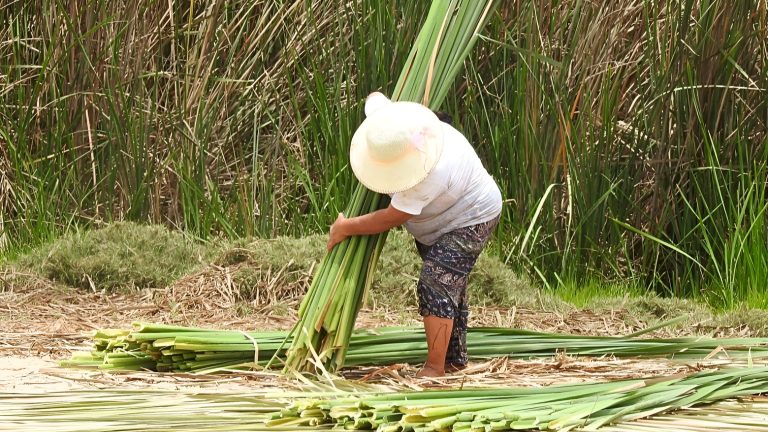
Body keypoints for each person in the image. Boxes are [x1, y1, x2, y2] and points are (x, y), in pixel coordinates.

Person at [327, 92, 502, 377]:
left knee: (436, 281)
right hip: (433, 225)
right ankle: (454, 360)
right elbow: (374, 100)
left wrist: (345, 227)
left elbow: (393, 216)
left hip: (470, 217)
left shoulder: (429, 169)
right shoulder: (399, 126)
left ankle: (435, 368)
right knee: (450, 286)